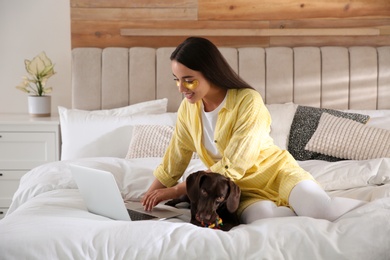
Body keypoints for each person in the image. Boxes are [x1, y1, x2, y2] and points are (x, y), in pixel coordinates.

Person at [141, 37, 365, 223]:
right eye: (177, 80)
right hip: (239, 192)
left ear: (209, 72)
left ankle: (373, 206)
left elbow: (233, 165)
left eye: (188, 81)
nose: (181, 88)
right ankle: (299, 207)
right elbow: (174, 161)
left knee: (323, 212)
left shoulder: (248, 101)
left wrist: (175, 191)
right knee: (266, 220)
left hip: (277, 175)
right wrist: (147, 198)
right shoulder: (187, 111)